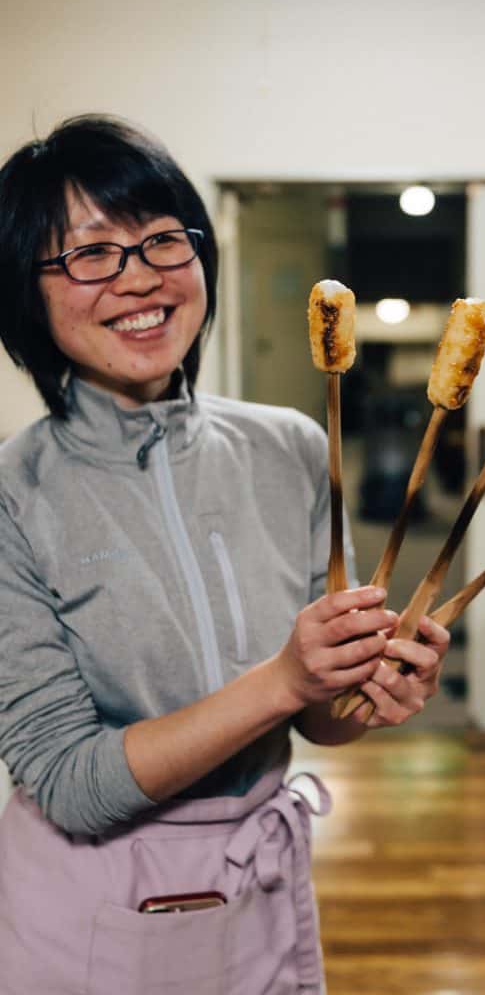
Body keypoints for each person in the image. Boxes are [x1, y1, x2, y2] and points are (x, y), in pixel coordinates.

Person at [0, 115, 450, 994]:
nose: (140, 279)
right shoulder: (15, 492)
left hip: (259, 899)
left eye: (164, 241)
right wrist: (286, 677)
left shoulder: (289, 448)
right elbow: (69, 783)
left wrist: (369, 690)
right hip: (89, 919)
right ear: (29, 289)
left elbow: (319, 721)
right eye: (92, 255)